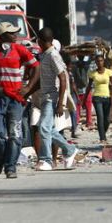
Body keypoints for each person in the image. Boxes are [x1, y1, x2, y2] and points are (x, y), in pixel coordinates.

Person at [0, 22, 40, 179]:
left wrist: (27, 87)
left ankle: (10, 167)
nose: (15, 35)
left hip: (16, 99)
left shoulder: (20, 49)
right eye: (12, 33)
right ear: (3, 35)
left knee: (15, 134)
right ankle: (0, 159)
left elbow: (36, 67)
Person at [32, 28, 78, 171]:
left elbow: (63, 78)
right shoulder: (45, 55)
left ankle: (46, 160)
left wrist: (59, 102)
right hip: (45, 97)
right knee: (49, 129)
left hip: (52, 97)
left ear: (40, 41)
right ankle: (69, 149)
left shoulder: (53, 55)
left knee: (44, 128)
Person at [83, 54, 112, 143]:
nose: (99, 62)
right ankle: (102, 138)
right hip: (97, 98)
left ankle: (103, 133)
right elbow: (89, 87)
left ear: (103, 61)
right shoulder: (92, 73)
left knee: (107, 119)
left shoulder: (109, 72)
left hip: (107, 97)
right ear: (96, 62)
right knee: (100, 117)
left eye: (101, 61)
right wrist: (84, 99)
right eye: (98, 61)